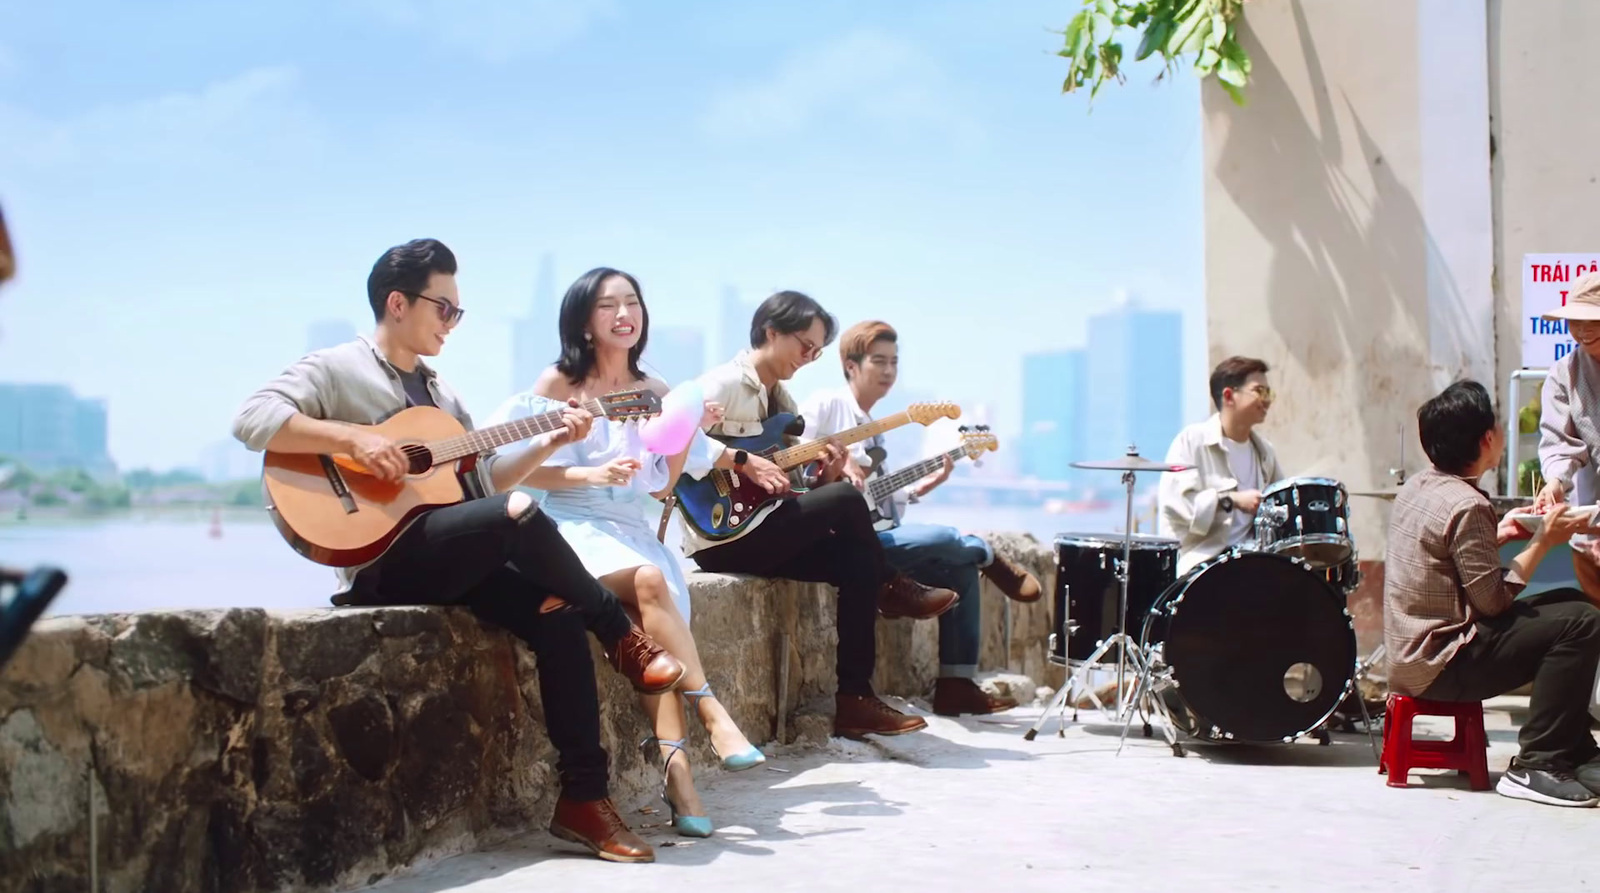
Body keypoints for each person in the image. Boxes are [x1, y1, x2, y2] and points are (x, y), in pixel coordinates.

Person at [232, 239, 684, 862]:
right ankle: (621, 632)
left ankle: (584, 800)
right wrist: (354, 442)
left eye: (456, 313)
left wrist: (553, 437)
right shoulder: (339, 368)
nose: (452, 323)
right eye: (444, 308)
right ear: (398, 303)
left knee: (557, 613)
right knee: (523, 518)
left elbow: (489, 484)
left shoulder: (444, 398)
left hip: (445, 557)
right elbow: (253, 417)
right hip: (381, 563)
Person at [484, 266, 763, 839]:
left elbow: (661, 486)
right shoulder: (558, 383)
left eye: (631, 302)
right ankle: (712, 711)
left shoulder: (653, 389)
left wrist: (684, 439)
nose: (623, 315)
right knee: (649, 583)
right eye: (608, 305)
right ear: (585, 321)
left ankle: (680, 781)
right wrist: (591, 474)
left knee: (646, 628)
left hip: (628, 529)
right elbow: (524, 472)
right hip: (565, 526)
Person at [679, 291, 959, 738]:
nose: (810, 357)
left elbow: (792, 487)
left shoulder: (784, 404)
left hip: (763, 528)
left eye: (818, 351)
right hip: (721, 537)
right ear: (771, 331)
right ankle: (895, 588)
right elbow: (667, 440)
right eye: (804, 345)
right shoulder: (722, 384)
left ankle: (855, 700)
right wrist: (740, 460)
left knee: (856, 561)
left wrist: (826, 472)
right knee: (849, 503)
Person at [795, 320, 1041, 716]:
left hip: (879, 535)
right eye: (879, 361)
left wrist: (920, 487)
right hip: (844, 544)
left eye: (894, 362)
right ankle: (987, 552)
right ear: (850, 365)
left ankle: (956, 684)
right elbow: (796, 455)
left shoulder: (873, 429)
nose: (889, 371)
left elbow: (874, 500)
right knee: (950, 539)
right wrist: (834, 468)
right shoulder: (828, 404)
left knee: (959, 565)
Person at [1386, 380, 1600, 806]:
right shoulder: (1467, 504)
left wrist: (1501, 533)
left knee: (1570, 605)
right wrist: (1543, 542)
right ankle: (1535, 764)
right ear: (1488, 439)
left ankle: (1573, 749)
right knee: (1582, 622)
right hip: (1443, 664)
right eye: (1499, 428)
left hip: (1410, 657)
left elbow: (1446, 557)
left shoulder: (1420, 488)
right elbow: (1492, 602)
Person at [1158, 356, 1286, 574]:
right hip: (1201, 566)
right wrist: (1231, 500)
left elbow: (1283, 502)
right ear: (1229, 395)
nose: (1267, 400)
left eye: (1269, 392)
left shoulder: (1265, 452)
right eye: (1259, 391)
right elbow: (1178, 506)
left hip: (1254, 562)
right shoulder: (1192, 441)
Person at [1533, 270, 1600, 604]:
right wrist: (1556, 481)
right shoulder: (1564, 373)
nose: (1584, 331)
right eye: (1576, 321)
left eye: (1594, 322)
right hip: (1589, 524)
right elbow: (1558, 440)